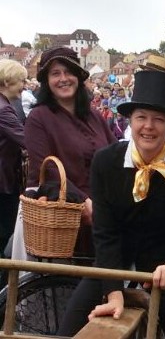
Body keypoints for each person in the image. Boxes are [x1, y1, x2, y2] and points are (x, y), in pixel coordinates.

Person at [58, 70, 165, 338]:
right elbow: (105, 233)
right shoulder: (106, 161)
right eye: (141, 117)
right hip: (113, 262)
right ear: (130, 120)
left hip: (164, 266)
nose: (148, 126)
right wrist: (112, 291)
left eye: (158, 119)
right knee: (69, 330)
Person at [16, 47, 116, 258]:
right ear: (47, 81)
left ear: (79, 76)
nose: (64, 79)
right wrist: (83, 202)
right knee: (67, 285)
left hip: (102, 216)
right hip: (61, 217)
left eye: (69, 72)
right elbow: (48, 169)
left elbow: (115, 154)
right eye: (55, 73)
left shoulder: (94, 115)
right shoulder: (38, 118)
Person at [0, 59, 27, 257]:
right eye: (21, 81)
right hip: (2, 185)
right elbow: (27, 140)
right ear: (8, 82)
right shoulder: (4, 110)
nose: (24, 86)